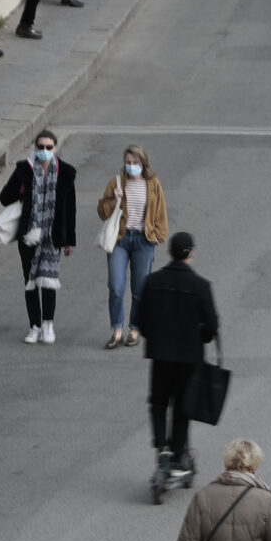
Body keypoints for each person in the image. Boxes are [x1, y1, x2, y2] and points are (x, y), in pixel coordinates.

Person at [132, 229, 215, 464]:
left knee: (158, 401)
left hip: (161, 356)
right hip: (189, 358)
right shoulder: (200, 286)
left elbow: (140, 319)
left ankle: (162, 447)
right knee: (182, 405)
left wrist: (156, 337)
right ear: (190, 254)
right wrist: (202, 338)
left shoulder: (153, 282)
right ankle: (178, 452)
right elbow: (212, 325)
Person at [0, 129, 74, 344]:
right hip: (28, 235)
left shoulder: (65, 172)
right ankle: (35, 326)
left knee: (48, 280)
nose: (44, 151)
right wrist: (22, 189)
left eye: (49, 147)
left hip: (52, 236)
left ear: (55, 148)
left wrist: (70, 240)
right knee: (30, 280)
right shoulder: (24, 169)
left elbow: (70, 209)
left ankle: (48, 324)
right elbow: (4, 197)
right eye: (40, 147)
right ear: (35, 148)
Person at [98, 145, 169, 349]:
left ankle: (134, 329)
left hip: (143, 241)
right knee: (116, 286)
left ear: (143, 163)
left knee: (139, 289)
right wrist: (114, 200)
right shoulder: (117, 182)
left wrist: (156, 236)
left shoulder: (153, 184)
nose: (131, 166)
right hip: (120, 239)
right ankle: (117, 330)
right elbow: (102, 211)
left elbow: (161, 214)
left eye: (135, 163)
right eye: (128, 163)